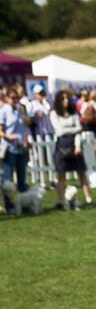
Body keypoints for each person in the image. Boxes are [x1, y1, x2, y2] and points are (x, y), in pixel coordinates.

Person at [49, 87, 94, 208]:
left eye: (67, 98)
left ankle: (88, 199)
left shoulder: (74, 113)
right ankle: (60, 201)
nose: (66, 101)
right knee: (61, 174)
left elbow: (79, 132)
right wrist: (76, 129)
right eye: (63, 99)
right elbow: (59, 131)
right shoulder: (54, 113)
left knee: (81, 173)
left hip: (75, 145)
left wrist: (78, 145)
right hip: (62, 145)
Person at [0, 85, 31, 215]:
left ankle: (24, 203)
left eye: (17, 98)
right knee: (8, 179)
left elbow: (26, 126)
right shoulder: (3, 111)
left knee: (22, 176)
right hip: (9, 148)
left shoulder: (19, 110)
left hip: (20, 147)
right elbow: (0, 131)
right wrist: (9, 136)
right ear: (7, 98)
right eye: (13, 98)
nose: (15, 100)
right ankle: (9, 205)